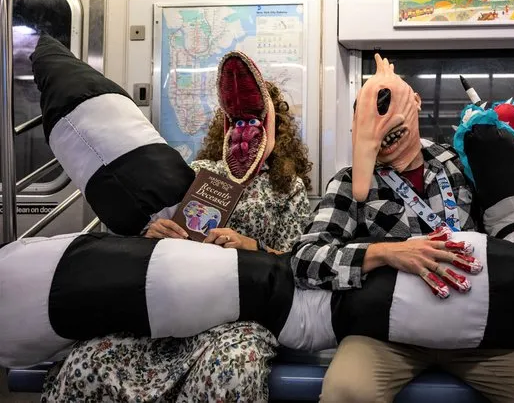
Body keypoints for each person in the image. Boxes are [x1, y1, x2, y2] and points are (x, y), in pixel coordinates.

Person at [290, 54, 514, 403]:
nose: (384, 127)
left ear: (416, 102)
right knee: (346, 392)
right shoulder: (348, 183)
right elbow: (305, 259)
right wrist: (386, 253)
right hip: (388, 334)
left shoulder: (464, 164)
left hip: (480, 331)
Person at [42, 51, 312, 403]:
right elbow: (139, 249)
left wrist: (249, 246)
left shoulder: (286, 188)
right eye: (238, 121)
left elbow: (298, 263)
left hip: (243, 308)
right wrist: (153, 235)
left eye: (255, 120)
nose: (246, 130)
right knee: (89, 359)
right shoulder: (196, 172)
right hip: (178, 299)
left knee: (229, 368)